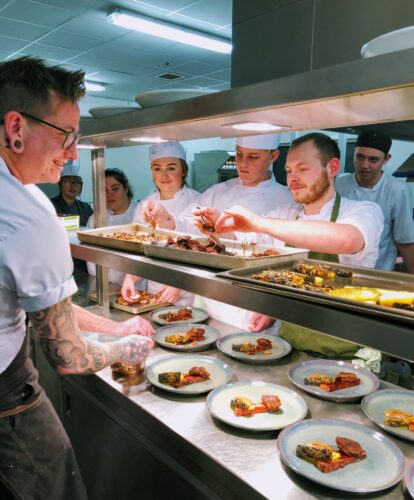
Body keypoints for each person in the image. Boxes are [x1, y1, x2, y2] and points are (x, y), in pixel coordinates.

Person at [0, 56, 154, 500]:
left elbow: (42, 306)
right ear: (16, 128)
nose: (72, 154)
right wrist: (131, 346)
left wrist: (116, 325)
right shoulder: (28, 212)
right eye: (67, 135)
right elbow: (69, 358)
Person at [215, 132, 384, 356]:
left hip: (344, 352)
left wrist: (258, 222)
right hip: (288, 344)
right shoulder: (285, 214)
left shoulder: (362, 211)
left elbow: (347, 240)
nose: (293, 178)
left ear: (332, 168)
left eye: (302, 169)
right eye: (288, 170)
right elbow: (242, 243)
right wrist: (216, 228)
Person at [144, 133, 292, 331]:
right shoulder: (218, 192)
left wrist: (273, 306)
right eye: (239, 155)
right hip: (214, 301)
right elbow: (186, 227)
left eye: (253, 157)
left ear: (273, 156)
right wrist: (165, 218)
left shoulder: (285, 200)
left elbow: (285, 260)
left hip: (254, 305)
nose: (243, 163)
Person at [121, 141, 200, 306]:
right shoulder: (145, 205)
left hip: (189, 293)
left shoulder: (198, 201)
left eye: (171, 168)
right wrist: (131, 276)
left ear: (184, 170)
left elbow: (203, 253)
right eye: (157, 169)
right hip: (154, 288)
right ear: (152, 172)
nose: (164, 176)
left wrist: (181, 281)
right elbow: (140, 249)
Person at [335, 129, 414, 272]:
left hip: (377, 273)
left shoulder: (396, 189)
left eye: (373, 160)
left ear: (386, 159)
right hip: (339, 269)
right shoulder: (340, 182)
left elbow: (405, 241)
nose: (365, 165)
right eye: (360, 157)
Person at [86, 168, 138, 285]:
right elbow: (91, 255)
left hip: (136, 287)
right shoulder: (95, 218)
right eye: (104, 191)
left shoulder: (139, 214)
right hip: (100, 285)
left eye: (115, 188)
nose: (110, 194)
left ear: (125, 188)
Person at [50, 160, 93, 226]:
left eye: (77, 183)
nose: (72, 186)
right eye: (68, 182)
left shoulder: (86, 208)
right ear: (60, 184)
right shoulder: (50, 205)